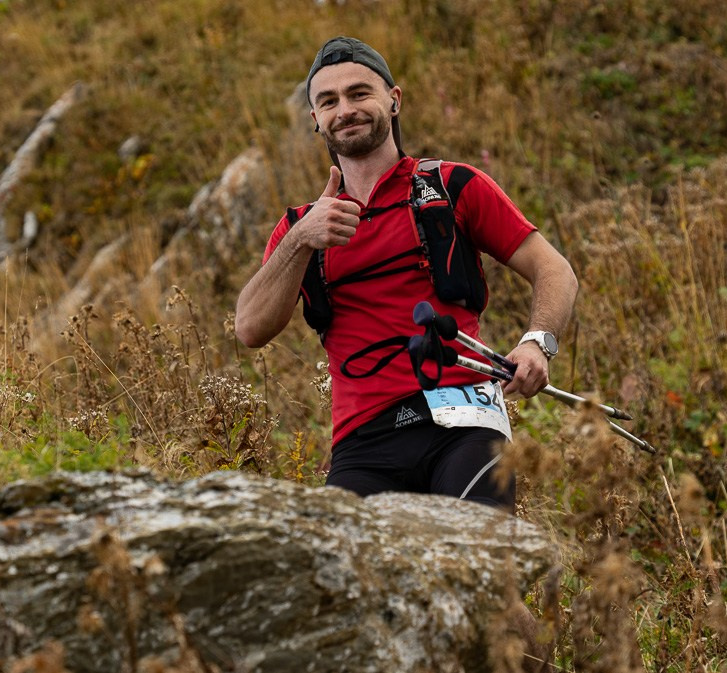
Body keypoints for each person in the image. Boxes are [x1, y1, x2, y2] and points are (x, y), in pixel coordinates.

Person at [235, 36, 578, 509]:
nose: (345, 110)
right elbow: (249, 329)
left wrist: (538, 342)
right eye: (328, 101)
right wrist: (301, 239)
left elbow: (554, 269)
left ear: (394, 100)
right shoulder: (301, 226)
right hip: (363, 441)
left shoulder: (452, 185)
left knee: (476, 550)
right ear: (315, 119)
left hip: (465, 421)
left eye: (359, 93)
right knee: (347, 557)